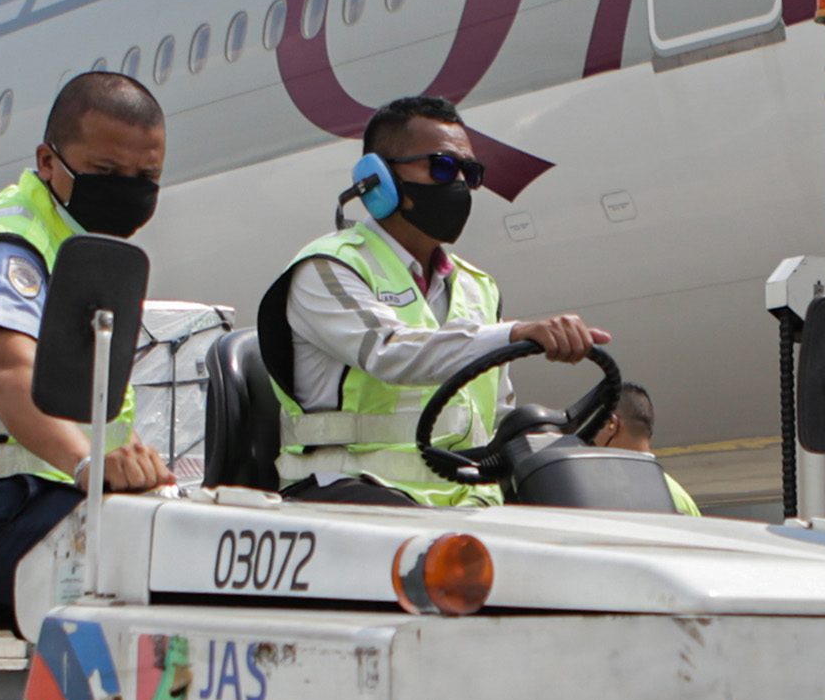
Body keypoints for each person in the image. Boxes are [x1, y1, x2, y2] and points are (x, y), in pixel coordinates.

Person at [0, 70, 180, 632]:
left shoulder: (79, 248)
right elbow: (7, 371)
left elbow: (92, 405)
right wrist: (90, 465)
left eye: (147, 175)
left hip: (51, 502)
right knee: (151, 576)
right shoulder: (6, 247)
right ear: (48, 162)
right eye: (105, 172)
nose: (128, 188)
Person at [259, 95, 611, 505]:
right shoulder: (328, 268)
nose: (459, 184)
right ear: (379, 180)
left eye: (470, 172)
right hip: (352, 493)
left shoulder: (479, 286)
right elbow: (389, 353)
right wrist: (515, 333)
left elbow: (495, 414)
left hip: (463, 501)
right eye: (443, 167)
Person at [586, 383, 704, 514]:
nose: (591, 437)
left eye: (594, 425)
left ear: (612, 424)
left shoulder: (603, 497)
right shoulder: (680, 498)